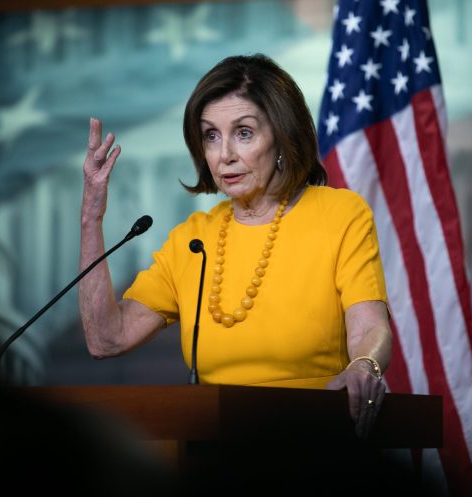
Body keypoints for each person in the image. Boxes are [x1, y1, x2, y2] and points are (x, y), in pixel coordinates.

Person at [78, 53, 392, 440]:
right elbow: (107, 339)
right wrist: (91, 218)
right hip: (216, 453)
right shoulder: (193, 239)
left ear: (282, 135)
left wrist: (363, 366)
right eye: (211, 135)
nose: (224, 154)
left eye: (243, 132)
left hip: (319, 441)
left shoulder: (340, 214)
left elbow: (370, 329)